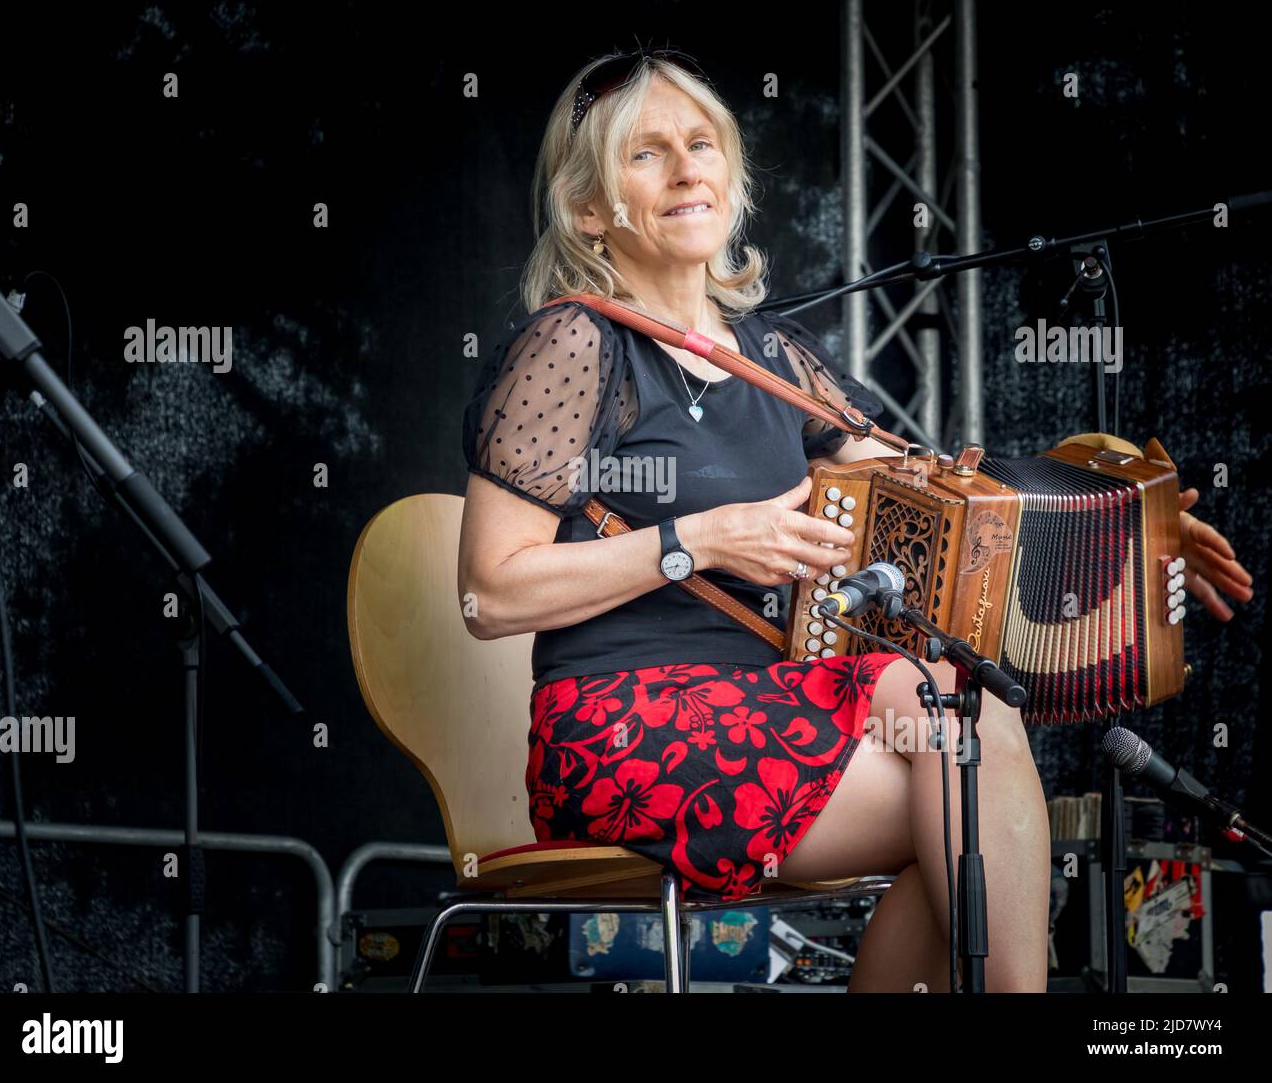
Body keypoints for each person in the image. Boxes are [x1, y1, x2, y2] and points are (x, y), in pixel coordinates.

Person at [456, 49, 1253, 991]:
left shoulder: (775, 359)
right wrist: (698, 541)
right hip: (618, 727)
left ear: (731, 176)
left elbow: (945, 495)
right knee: (960, 807)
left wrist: (1130, 531)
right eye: (646, 153)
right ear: (589, 209)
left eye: (702, 144)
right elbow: (489, 592)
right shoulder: (575, 343)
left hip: (772, 712)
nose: (685, 168)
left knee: (963, 721)